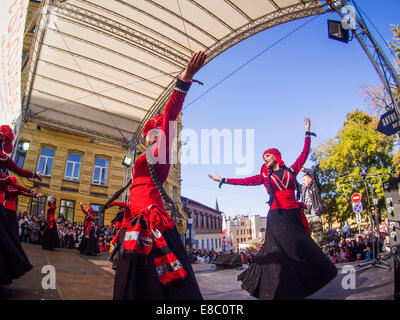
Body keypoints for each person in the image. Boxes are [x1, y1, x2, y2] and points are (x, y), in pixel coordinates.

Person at [209, 118, 338, 300]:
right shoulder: (264, 176)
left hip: (293, 214)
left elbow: (304, 153)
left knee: (303, 247)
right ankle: (280, 290)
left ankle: (308, 281)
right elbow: (245, 181)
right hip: (277, 216)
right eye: (263, 158)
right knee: (280, 253)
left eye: (267, 156)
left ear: (276, 156)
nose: (265, 159)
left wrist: (307, 132)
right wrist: (223, 180)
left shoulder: (292, 170)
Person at [113, 51, 206, 300]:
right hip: (136, 215)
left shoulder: (161, 150)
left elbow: (171, 115)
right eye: (149, 133)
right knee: (137, 275)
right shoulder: (147, 153)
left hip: (149, 218)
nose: (149, 135)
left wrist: (184, 79)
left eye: (153, 131)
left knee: (154, 276)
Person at [0, 125, 41, 285]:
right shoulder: (4, 162)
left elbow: (17, 186)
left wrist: (30, 191)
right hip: (6, 211)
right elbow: (17, 175)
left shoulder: (4, 161)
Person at [301, 167, 325, 247]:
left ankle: (323, 256)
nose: (303, 182)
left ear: (310, 180)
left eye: (304, 180)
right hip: (307, 215)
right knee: (308, 238)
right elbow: (295, 185)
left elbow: (313, 172)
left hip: (314, 214)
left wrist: (303, 169)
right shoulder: (303, 189)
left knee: (318, 238)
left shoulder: (314, 186)